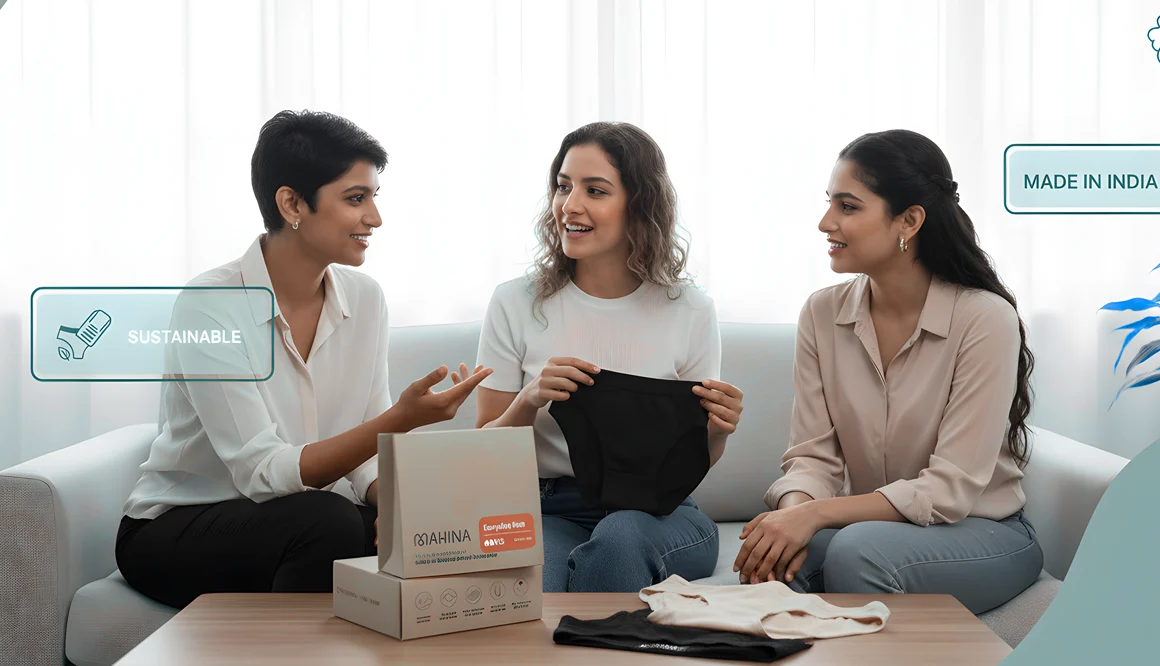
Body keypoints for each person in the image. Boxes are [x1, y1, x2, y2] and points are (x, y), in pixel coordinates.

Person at [116, 110, 490, 609]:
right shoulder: (210, 304)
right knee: (329, 522)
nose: (375, 218)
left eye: (374, 198)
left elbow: (363, 455)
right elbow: (260, 473)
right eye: (356, 199)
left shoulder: (365, 299)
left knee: (413, 523)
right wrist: (400, 419)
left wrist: (397, 504)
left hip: (296, 517)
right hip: (181, 527)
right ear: (292, 203)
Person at [737, 129, 1043, 615]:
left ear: (910, 221)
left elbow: (949, 490)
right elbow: (812, 458)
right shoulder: (821, 314)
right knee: (771, 557)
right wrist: (792, 521)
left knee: (856, 552)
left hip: (983, 533)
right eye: (829, 203)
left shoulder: (984, 319)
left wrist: (818, 515)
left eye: (848, 206)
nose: (825, 222)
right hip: (869, 532)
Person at [474, 121, 745, 593]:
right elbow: (481, 453)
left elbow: (693, 460)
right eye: (562, 186)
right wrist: (530, 399)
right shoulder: (515, 303)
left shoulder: (690, 309)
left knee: (619, 540)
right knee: (536, 582)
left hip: (659, 514)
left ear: (639, 206)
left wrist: (717, 432)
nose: (569, 205)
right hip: (548, 509)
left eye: (595, 190)